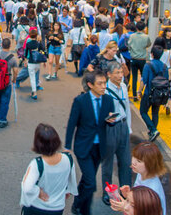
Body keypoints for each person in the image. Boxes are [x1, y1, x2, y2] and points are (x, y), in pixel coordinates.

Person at [64, 71, 115, 215]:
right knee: (91, 182)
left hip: (99, 147)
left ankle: (78, 205)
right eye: (100, 83)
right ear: (90, 85)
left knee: (88, 179)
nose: (104, 86)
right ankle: (82, 208)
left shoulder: (108, 100)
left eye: (105, 83)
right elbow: (72, 123)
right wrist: (67, 146)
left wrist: (112, 121)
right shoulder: (80, 101)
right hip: (83, 146)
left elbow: (108, 122)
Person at [20, 123, 78, 215]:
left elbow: (27, 187)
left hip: (36, 207)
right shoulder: (68, 159)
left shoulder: (37, 164)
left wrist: (38, 191)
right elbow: (71, 179)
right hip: (57, 208)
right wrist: (67, 191)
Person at [102, 62, 132, 205]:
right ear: (109, 74)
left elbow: (127, 109)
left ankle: (125, 192)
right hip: (110, 129)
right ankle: (107, 192)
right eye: (117, 73)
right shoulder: (104, 90)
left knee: (126, 162)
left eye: (121, 72)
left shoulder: (124, 87)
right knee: (107, 163)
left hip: (123, 126)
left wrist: (129, 128)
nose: (121, 76)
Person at [140, 45, 169, 141]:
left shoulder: (148, 65)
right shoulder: (165, 66)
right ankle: (152, 131)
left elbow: (143, 81)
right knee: (155, 113)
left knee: (143, 111)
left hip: (149, 93)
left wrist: (139, 91)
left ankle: (153, 130)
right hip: (159, 94)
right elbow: (167, 81)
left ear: (152, 54)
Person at [0, 38, 19, 128]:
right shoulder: (13, 58)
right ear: (10, 46)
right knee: (5, 101)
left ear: (1, 45)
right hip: (6, 83)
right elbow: (15, 71)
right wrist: (14, 79)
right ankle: (2, 120)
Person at [128, 22, 151, 102]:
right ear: (144, 28)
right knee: (143, 77)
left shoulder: (132, 36)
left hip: (134, 59)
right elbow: (148, 45)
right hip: (142, 59)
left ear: (136, 28)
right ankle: (141, 92)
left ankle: (134, 95)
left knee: (134, 77)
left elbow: (129, 45)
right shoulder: (146, 37)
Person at [25, 28, 45, 100]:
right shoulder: (38, 44)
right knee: (35, 75)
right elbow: (43, 51)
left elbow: (25, 53)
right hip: (37, 62)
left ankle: (34, 92)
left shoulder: (28, 44)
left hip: (31, 62)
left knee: (32, 78)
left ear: (30, 36)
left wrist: (25, 61)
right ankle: (34, 89)